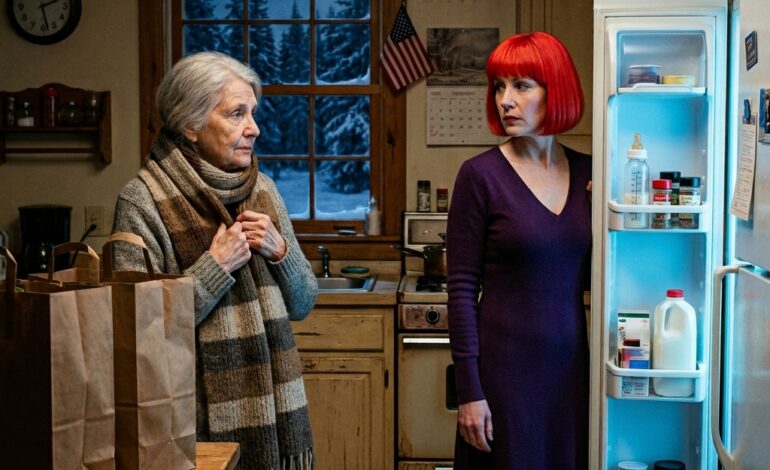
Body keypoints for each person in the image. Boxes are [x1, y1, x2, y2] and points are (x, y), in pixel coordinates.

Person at [111, 51, 317, 469]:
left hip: (277, 416)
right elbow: (134, 330)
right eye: (237, 114)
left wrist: (281, 251)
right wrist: (214, 268)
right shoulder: (142, 201)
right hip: (186, 424)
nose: (254, 128)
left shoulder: (263, 190)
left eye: (253, 113)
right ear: (190, 125)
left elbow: (303, 302)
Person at [446, 32, 591, 469]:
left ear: (555, 90)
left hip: (571, 375)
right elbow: (461, 290)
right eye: (499, 87)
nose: (505, 100)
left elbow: (592, 276)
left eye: (522, 86)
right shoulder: (480, 176)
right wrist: (470, 392)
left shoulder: (591, 175)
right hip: (504, 379)